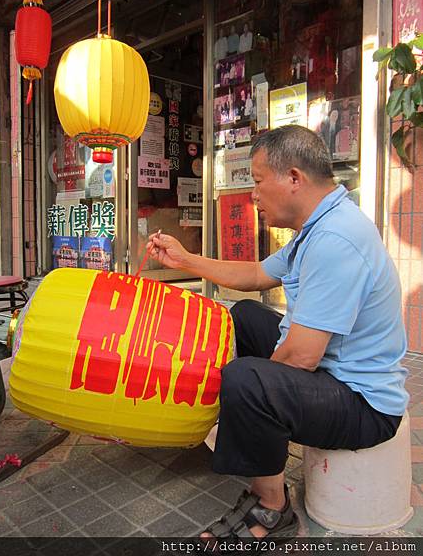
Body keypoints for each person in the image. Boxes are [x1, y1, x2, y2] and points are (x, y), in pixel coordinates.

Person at [146, 125, 408, 543]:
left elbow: (302, 356)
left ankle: (272, 508)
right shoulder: (317, 227)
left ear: (293, 179)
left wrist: (237, 403)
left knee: (247, 380)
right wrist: (185, 258)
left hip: (364, 404)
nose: (253, 194)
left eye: (257, 180)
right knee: (246, 315)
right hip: (330, 373)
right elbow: (254, 275)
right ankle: (248, 425)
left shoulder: (337, 238)